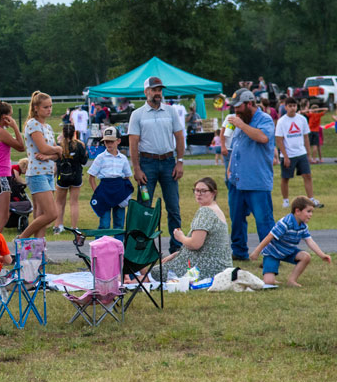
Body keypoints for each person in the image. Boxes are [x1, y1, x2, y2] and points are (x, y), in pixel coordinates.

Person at [128, 76, 185, 253]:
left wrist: (180, 162)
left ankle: (176, 248)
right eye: (154, 90)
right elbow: (133, 143)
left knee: (173, 206)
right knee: (145, 205)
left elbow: (179, 136)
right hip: (147, 165)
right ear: (146, 92)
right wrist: (136, 168)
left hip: (169, 163)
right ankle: (143, 246)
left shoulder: (171, 111)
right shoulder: (137, 114)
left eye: (159, 90)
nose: (157, 93)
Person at [149, 177, 233, 282]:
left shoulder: (206, 212)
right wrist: (177, 254)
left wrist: (180, 237)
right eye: (197, 190)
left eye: (203, 191)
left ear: (213, 193)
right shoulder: (215, 209)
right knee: (156, 270)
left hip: (207, 268)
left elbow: (195, 244)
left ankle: (131, 282)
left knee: (154, 272)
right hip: (218, 266)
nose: (199, 194)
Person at [226, 88, 276, 261]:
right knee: (237, 219)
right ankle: (239, 251)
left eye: (238, 107)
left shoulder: (264, 119)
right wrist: (230, 167)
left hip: (257, 181)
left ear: (250, 104)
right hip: (237, 180)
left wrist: (242, 125)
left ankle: (271, 254)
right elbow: (236, 145)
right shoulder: (241, 119)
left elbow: (263, 138)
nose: (235, 110)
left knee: (264, 221)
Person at [250, 196, 331, 287]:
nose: (311, 214)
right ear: (297, 211)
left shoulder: (303, 226)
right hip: (273, 253)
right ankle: (271, 279)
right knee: (269, 283)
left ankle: (291, 281)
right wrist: (257, 251)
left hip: (288, 251)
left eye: (312, 211)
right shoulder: (285, 223)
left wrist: (322, 255)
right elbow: (269, 237)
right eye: (308, 211)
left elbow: (310, 241)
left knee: (306, 257)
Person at [19, 91, 63, 239]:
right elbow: (44, 148)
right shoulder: (33, 124)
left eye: (50, 106)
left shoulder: (48, 127)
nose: (49, 109)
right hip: (37, 174)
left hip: (49, 173)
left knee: (42, 216)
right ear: (36, 108)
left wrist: (51, 154)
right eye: (45, 107)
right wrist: (57, 149)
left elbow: (57, 156)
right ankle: (22, 238)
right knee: (52, 214)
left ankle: (39, 253)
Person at [0, 100, 26, 231]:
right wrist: (15, 127)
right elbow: (21, 147)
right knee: (3, 216)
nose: (11, 118)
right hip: (1, 176)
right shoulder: (0, 132)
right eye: (10, 116)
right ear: (4, 117)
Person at [275, 98, 323, 210]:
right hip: (288, 155)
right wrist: (285, 157)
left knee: (307, 175)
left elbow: (306, 138)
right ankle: (285, 201)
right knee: (285, 178)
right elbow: (279, 140)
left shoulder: (302, 119)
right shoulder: (282, 121)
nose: (292, 108)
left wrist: (309, 155)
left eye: (294, 105)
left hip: (301, 153)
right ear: (285, 107)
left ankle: (311, 199)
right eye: (290, 105)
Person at [88, 127, 133, 232]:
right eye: (106, 141)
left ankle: (118, 246)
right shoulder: (100, 158)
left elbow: (127, 176)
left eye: (111, 141)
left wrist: (126, 192)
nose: (109, 144)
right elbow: (91, 177)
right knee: (104, 223)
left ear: (118, 141)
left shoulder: (123, 159)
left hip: (119, 191)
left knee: (119, 222)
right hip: (104, 190)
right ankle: (102, 247)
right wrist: (97, 192)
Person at [54, 123, 87, 233]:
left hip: (62, 176)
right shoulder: (79, 145)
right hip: (76, 176)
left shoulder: (59, 145)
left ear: (63, 133)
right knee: (74, 202)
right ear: (74, 133)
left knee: (59, 202)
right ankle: (74, 227)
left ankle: (58, 226)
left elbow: (56, 161)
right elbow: (84, 161)